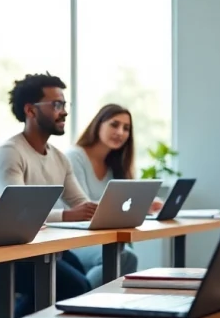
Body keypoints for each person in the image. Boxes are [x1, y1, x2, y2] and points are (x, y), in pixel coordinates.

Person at [0, 73, 94, 308]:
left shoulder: (60, 158)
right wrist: (68, 215)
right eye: (56, 105)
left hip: (33, 248)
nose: (64, 112)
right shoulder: (9, 152)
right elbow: (20, 212)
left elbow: (81, 204)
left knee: (79, 280)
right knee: (74, 285)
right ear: (30, 110)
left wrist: (106, 209)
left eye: (64, 104)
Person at [65, 104, 157, 287]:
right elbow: (84, 208)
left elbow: (121, 206)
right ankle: (78, 296)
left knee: (126, 254)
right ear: (98, 124)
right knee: (124, 256)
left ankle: (87, 296)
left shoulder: (116, 164)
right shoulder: (74, 157)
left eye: (126, 128)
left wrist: (143, 205)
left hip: (102, 237)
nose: (120, 132)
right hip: (72, 236)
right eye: (114, 125)